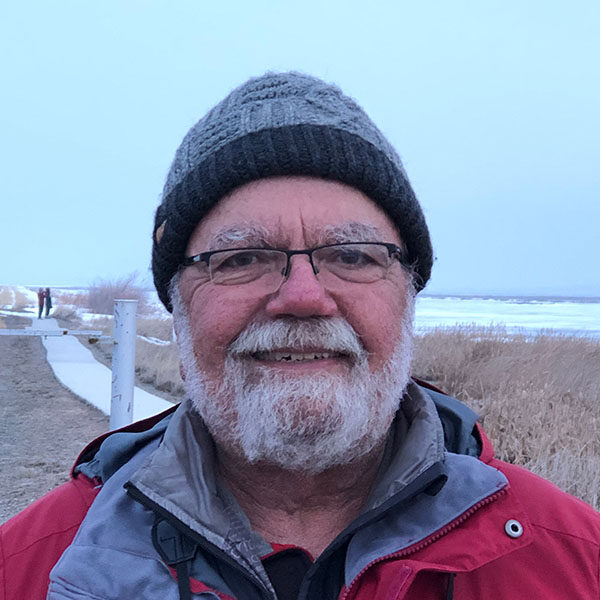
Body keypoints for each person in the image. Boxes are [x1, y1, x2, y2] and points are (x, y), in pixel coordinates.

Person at [1, 72, 599, 600]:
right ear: (179, 308)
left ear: (409, 295)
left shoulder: (575, 561)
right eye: (240, 259)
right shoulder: (29, 569)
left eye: (353, 255)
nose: (304, 297)